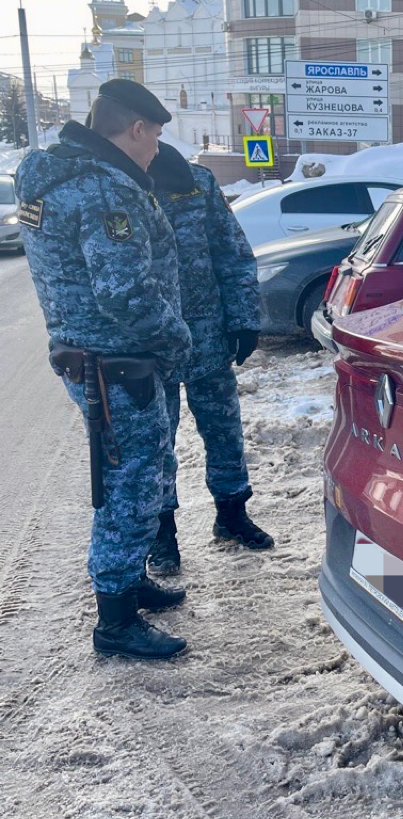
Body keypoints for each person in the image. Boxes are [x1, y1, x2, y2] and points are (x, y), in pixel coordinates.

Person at [15, 79, 191, 660]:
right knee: (132, 483)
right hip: (119, 362)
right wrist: (177, 340)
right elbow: (124, 293)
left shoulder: (48, 175)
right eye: (155, 136)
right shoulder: (105, 189)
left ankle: (129, 581)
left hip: (88, 354)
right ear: (136, 128)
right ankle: (115, 620)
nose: (157, 151)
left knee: (134, 474)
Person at [146, 140, 273, 577]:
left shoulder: (197, 183)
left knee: (223, 429)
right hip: (152, 344)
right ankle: (162, 534)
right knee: (155, 442)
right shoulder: (120, 186)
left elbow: (232, 253)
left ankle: (232, 514)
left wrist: (244, 320)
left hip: (208, 336)